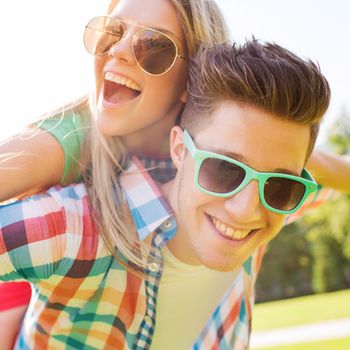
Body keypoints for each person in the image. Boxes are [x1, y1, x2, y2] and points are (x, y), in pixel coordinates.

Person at [0, 37, 331, 349]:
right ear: (178, 149)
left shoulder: (269, 218)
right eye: (223, 169)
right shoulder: (80, 229)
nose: (246, 210)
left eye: (280, 186)